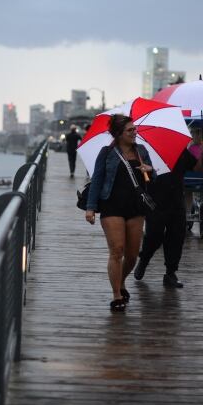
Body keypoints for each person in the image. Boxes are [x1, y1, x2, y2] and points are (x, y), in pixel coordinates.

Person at [85, 115, 155, 312]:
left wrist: (150, 170)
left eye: (135, 129)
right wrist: (91, 207)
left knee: (132, 255)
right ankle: (116, 294)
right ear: (118, 133)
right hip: (111, 206)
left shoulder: (141, 151)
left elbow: (152, 180)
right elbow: (97, 179)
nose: (135, 133)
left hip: (135, 208)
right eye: (130, 130)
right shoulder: (107, 153)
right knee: (117, 250)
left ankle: (121, 281)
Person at [133, 138, 203, 287]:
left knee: (176, 236)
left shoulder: (180, 150)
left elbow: (199, 168)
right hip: (155, 201)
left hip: (176, 201)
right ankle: (144, 260)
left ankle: (170, 273)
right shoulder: (147, 151)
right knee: (154, 236)